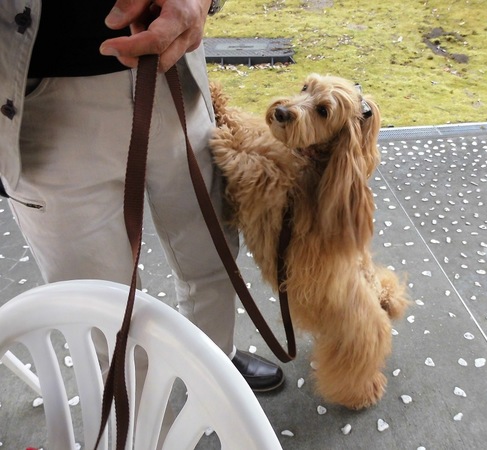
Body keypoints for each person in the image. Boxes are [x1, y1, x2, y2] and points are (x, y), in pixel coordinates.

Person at [0, 0, 284, 392]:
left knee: (211, 259)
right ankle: (139, 430)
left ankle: (215, 367)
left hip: (175, 76)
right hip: (39, 102)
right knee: (102, 312)